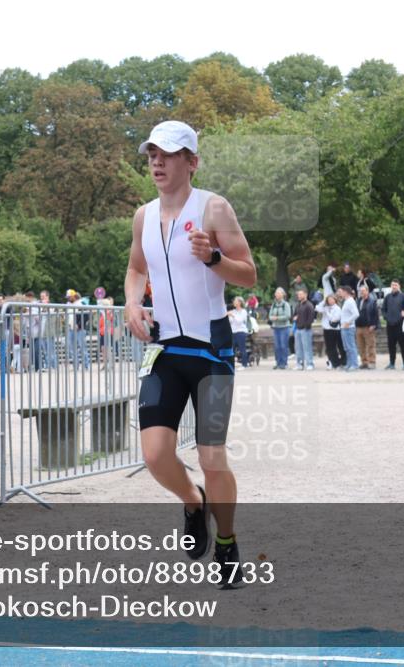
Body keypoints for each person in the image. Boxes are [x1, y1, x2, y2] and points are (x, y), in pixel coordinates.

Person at [124, 120, 256, 587]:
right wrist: (133, 301)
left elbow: (249, 274)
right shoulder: (143, 216)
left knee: (211, 455)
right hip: (165, 349)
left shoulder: (214, 208)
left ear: (191, 161)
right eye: (151, 154)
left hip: (211, 349)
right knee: (156, 454)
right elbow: (137, 267)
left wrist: (214, 259)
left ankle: (227, 543)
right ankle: (193, 502)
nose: (157, 161)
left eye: (168, 153)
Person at [382, 280, 404, 370]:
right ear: (391, 286)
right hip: (390, 325)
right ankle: (392, 363)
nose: (394, 286)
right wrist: (386, 317)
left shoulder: (403, 297)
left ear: (399, 286)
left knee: (403, 345)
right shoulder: (387, 297)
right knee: (391, 345)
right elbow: (383, 309)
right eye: (393, 285)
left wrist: (402, 316)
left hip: (400, 325)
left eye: (396, 285)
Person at [316, 293, 344, 369]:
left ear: (335, 300)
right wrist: (323, 302)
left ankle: (337, 363)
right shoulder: (326, 307)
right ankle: (331, 362)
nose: (330, 301)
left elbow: (334, 318)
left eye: (332, 299)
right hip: (327, 329)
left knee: (334, 347)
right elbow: (317, 308)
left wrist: (327, 312)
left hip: (334, 330)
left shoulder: (337, 308)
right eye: (329, 300)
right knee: (329, 347)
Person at [355, 284, 379, 369]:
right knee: (361, 346)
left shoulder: (372, 301)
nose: (362, 292)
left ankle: (372, 362)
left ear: (367, 291)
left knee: (370, 345)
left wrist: (374, 325)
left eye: (363, 291)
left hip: (368, 327)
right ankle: (364, 362)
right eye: (360, 291)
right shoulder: (358, 301)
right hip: (358, 327)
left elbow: (376, 314)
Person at [268, 288, 292, 370]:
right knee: (277, 346)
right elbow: (270, 316)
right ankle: (278, 363)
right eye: (276, 293)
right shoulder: (273, 304)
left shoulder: (286, 304)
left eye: (279, 293)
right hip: (276, 328)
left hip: (284, 328)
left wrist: (277, 318)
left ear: (283, 295)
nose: (277, 295)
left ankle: (284, 363)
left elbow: (288, 316)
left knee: (283, 346)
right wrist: (272, 318)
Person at [337, 285, 360, 371]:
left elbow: (356, 314)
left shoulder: (350, 301)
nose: (340, 293)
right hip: (344, 327)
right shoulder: (346, 301)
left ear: (345, 292)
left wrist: (348, 322)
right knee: (346, 347)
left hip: (349, 328)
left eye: (341, 292)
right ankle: (349, 364)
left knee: (351, 346)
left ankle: (354, 364)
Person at [293, 289, 316, 371]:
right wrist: (294, 318)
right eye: (298, 294)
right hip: (298, 329)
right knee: (298, 348)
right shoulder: (298, 305)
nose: (299, 296)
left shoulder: (309, 305)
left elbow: (311, 318)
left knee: (307, 347)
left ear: (305, 295)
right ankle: (299, 364)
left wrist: (306, 325)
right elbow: (294, 315)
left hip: (306, 329)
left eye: (301, 294)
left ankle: (310, 364)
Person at [228, 297, 250, 369]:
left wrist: (232, 315)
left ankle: (244, 364)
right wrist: (230, 315)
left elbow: (239, 321)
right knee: (232, 350)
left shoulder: (243, 311)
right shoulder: (233, 311)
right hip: (233, 332)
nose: (234, 302)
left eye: (235, 301)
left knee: (242, 348)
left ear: (239, 303)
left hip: (241, 332)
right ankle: (231, 365)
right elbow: (231, 321)